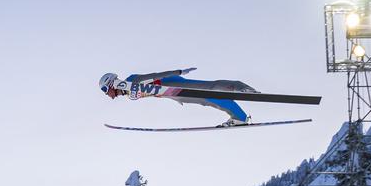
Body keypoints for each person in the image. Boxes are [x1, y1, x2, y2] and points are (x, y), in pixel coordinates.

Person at [100, 68, 258, 126]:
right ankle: (238, 117)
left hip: (173, 84)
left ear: (111, 83)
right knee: (207, 100)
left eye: (106, 90)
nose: (108, 95)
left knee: (209, 88)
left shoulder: (130, 81)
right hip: (173, 95)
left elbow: (154, 75)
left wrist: (178, 72)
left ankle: (241, 87)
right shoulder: (128, 93)